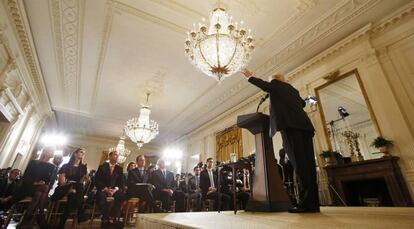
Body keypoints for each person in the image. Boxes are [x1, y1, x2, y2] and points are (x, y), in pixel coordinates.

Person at [242, 69, 319, 213]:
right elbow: (302, 104)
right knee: (309, 166)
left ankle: (306, 205)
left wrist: (250, 77)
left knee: (300, 166)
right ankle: (313, 204)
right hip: (306, 128)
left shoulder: (275, 85)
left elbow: (264, 85)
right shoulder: (293, 90)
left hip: (291, 128)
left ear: (274, 80)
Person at [11, 147, 56, 228]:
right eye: (51, 150)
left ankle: (23, 222)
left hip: (41, 189)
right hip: (29, 187)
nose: (53, 152)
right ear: (45, 152)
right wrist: (35, 183)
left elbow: (50, 181)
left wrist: (43, 183)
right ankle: (41, 217)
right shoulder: (34, 162)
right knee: (41, 192)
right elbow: (26, 176)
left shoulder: (53, 166)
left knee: (39, 193)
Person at [51, 148, 88, 228]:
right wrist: (70, 185)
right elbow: (61, 183)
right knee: (77, 189)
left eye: (84, 153)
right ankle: (81, 214)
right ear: (75, 154)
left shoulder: (83, 167)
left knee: (73, 195)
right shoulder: (65, 166)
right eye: (81, 152)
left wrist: (85, 179)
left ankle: (62, 223)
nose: (83, 154)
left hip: (76, 190)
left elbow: (82, 182)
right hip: (64, 188)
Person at [95, 151, 126, 227]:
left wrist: (114, 190)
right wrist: (106, 189)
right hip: (103, 189)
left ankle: (112, 215)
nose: (117, 156)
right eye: (115, 155)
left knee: (121, 196)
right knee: (101, 197)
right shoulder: (102, 167)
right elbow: (97, 180)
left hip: (114, 190)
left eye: (117, 155)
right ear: (109, 156)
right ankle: (106, 217)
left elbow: (121, 183)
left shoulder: (119, 169)